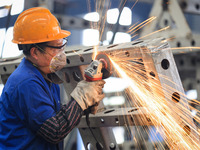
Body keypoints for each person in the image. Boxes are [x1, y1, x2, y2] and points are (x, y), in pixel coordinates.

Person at [0, 7, 105, 150]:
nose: (62, 52)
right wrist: (81, 99)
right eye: (57, 47)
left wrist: (81, 107)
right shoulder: (27, 83)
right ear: (35, 52)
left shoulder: (47, 75)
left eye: (63, 44)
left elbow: (51, 115)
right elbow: (54, 131)